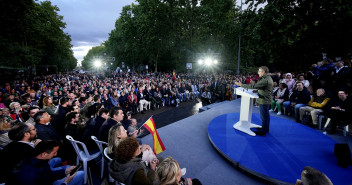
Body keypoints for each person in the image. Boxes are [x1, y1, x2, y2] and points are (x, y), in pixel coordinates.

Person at [6, 140, 84, 185]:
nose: (55, 154)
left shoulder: (39, 160)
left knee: (68, 168)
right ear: (44, 154)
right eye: (54, 152)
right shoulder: (29, 175)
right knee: (81, 174)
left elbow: (48, 175)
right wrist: (65, 182)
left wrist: (65, 172)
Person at [235, 66, 273, 136]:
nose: (258, 72)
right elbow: (264, 87)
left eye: (259, 71)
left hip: (264, 100)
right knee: (266, 115)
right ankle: (265, 128)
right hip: (266, 98)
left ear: (263, 72)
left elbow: (253, 86)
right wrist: (258, 90)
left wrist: (241, 85)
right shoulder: (267, 78)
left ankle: (263, 131)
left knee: (264, 116)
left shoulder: (265, 80)